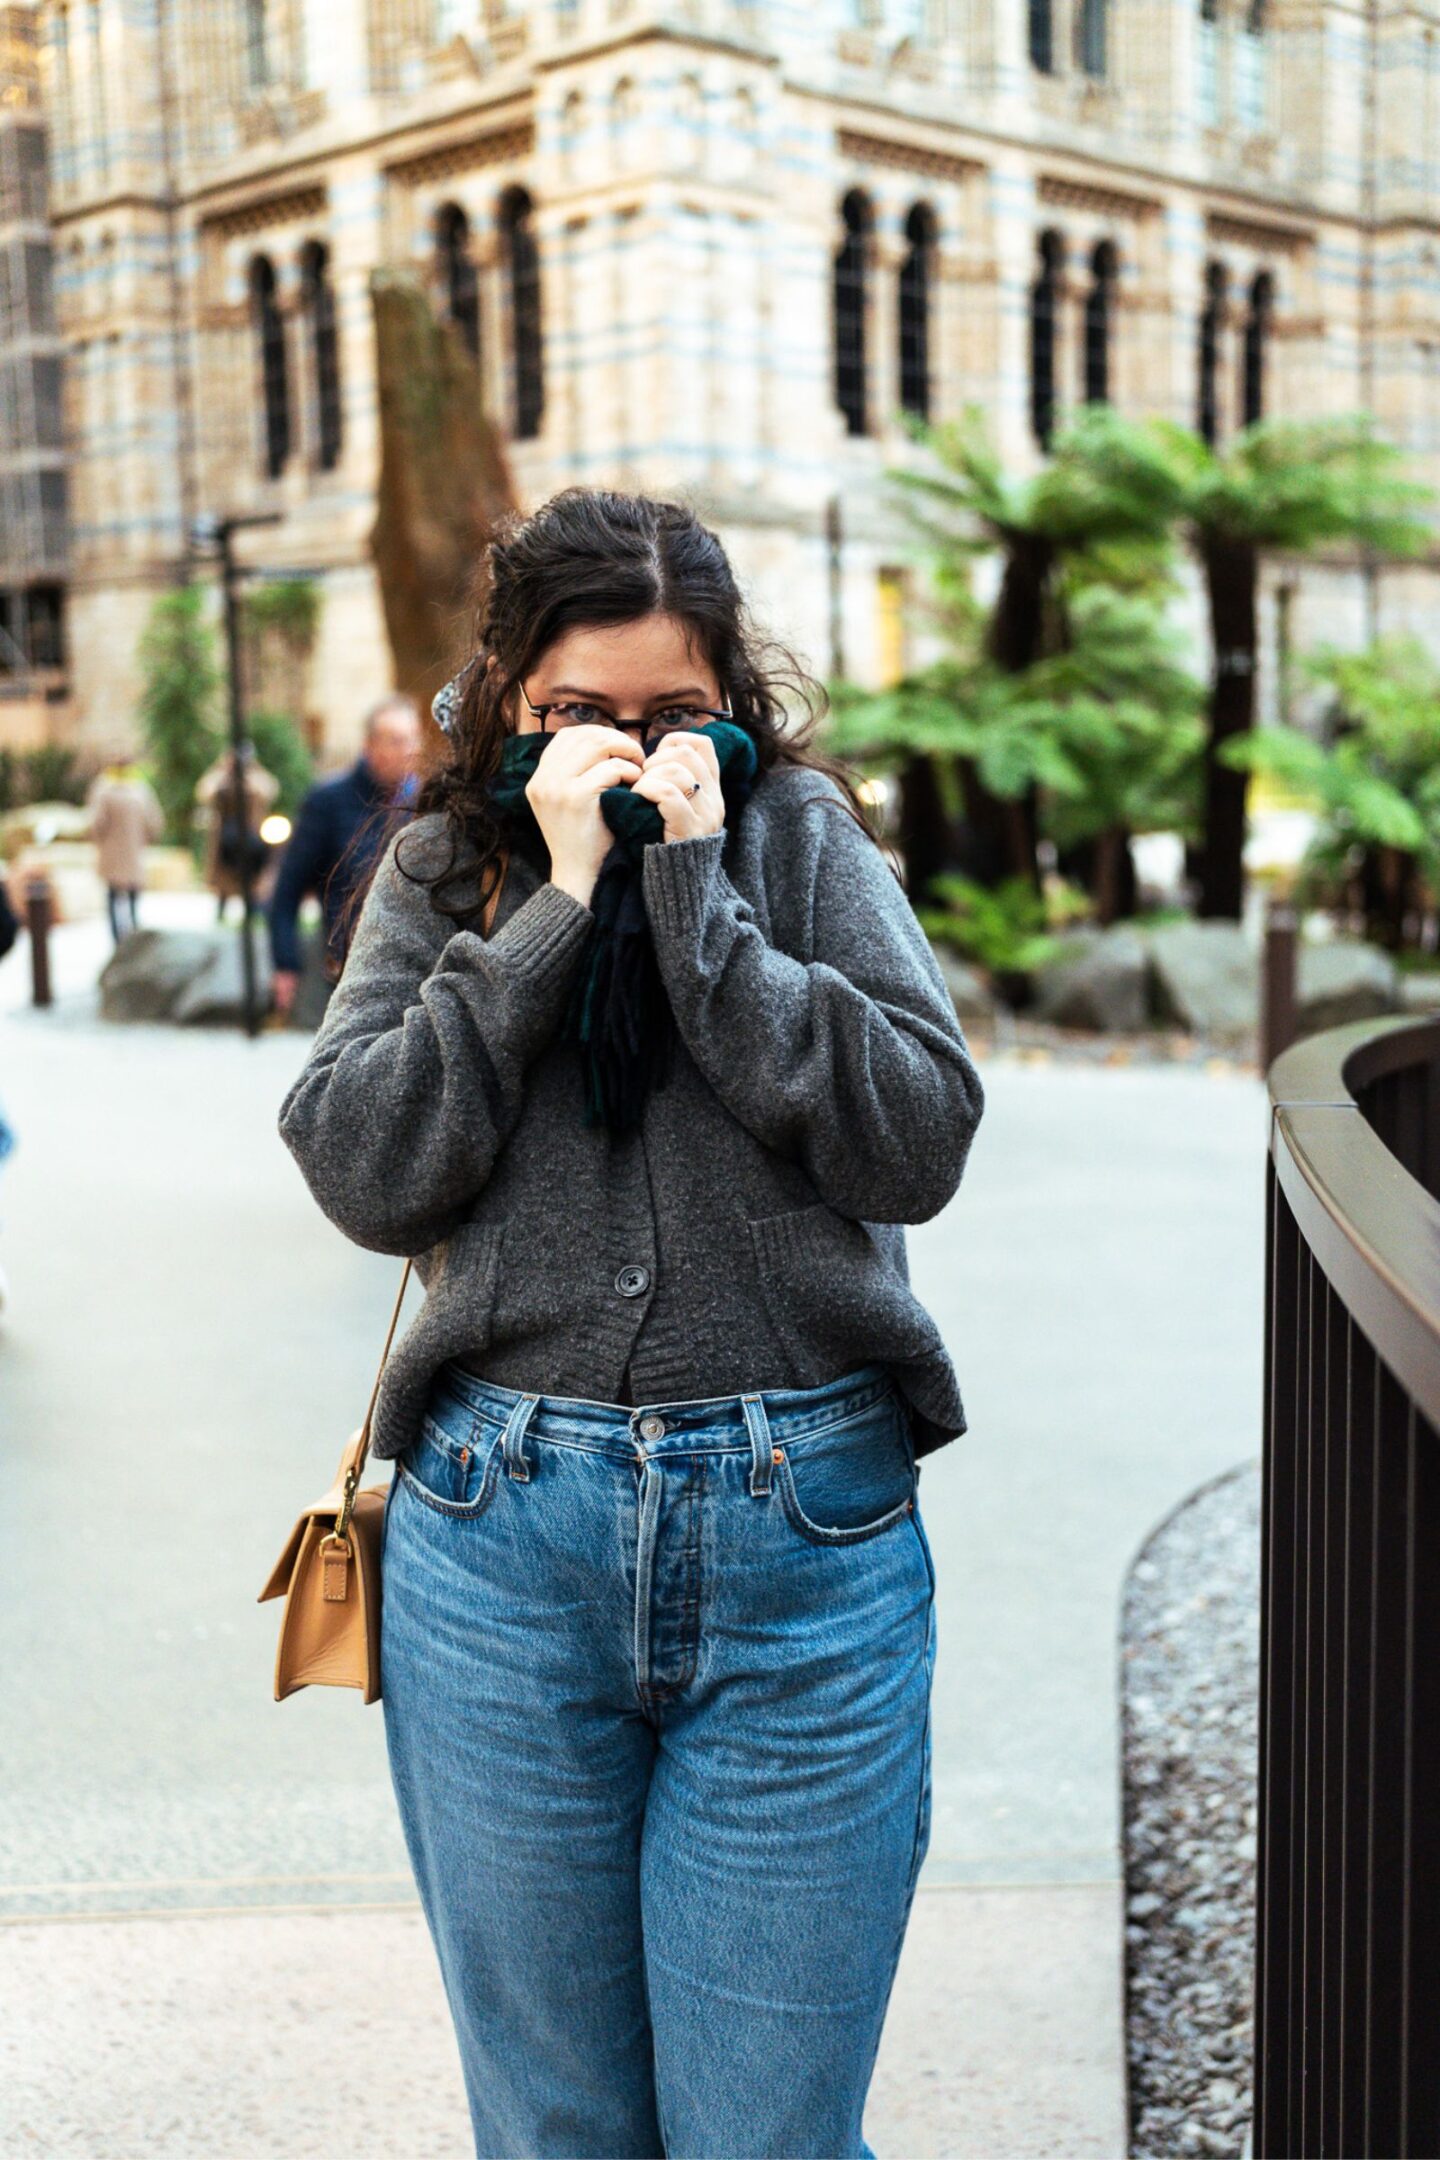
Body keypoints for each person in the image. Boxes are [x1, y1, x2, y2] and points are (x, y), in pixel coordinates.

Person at [277, 488, 986, 2160]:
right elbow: (363, 1163)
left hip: (801, 1543)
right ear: (507, 699)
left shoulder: (799, 841)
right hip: (499, 1551)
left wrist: (697, 916)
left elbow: (922, 1135)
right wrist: (546, 923)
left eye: (675, 718)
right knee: (562, 2130)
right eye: (578, 716)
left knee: (769, 2137)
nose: (631, 754)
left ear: (729, 703)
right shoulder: (443, 866)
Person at [267, 695, 422, 1019]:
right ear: (369, 746)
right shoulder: (328, 801)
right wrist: (286, 963)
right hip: (346, 965)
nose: (408, 750)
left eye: (412, 739)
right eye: (395, 741)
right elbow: (287, 890)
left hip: (414, 966)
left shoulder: (427, 800)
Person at [193, 743, 280, 923]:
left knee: (250, 878)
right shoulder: (221, 779)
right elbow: (205, 791)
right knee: (224, 882)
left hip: (251, 836)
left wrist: (251, 771)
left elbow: (269, 790)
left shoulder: (255, 779)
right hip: (226, 839)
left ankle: (252, 911)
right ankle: (223, 910)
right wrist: (222, 769)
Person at [84, 753, 164, 943]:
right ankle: (133, 932)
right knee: (131, 893)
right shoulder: (141, 789)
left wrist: (98, 841)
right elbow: (154, 821)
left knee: (113, 894)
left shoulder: (103, 790)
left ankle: (118, 938)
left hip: (112, 852)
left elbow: (95, 823)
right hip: (133, 851)